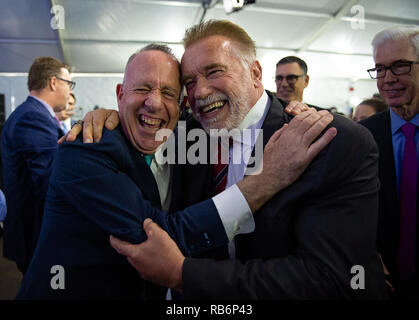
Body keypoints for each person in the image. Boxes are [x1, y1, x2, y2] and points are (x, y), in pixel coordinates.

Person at [71, 20, 387, 299]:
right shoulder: (186, 133)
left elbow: (331, 280)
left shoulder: (331, 140)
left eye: (214, 72)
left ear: (255, 73)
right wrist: (108, 117)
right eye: (190, 82)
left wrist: (184, 275)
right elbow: (146, 114)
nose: (200, 91)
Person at [17, 44, 334, 300]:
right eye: (142, 89)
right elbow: (159, 236)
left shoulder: (185, 139)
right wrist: (265, 180)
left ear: (182, 104)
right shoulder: (86, 147)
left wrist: (289, 112)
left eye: (168, 93)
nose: (154, 103)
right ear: (119, 94)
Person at [361, 25, 419, 298]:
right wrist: (367, 254)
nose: (388, 79)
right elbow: (351, 209)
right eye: (380, 69)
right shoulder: (363, 136)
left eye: (400, 66)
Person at [1, 56, 72, 274]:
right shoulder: (34, 117)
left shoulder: (33, 114)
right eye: (68, 84)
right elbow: (49, 181)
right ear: (53, 82)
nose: (70, 91)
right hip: (36, 234)